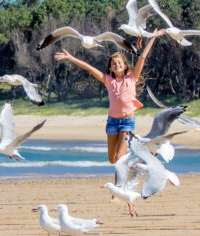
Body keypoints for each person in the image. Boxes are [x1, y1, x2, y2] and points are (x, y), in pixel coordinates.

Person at [55, 29, 165, 163]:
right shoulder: (108, 80)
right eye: (114, 64)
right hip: (112, 122)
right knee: (112, 160)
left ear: (125, 66)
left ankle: (120, 183)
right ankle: (141, 153)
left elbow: (142, 57)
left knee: (119, 158)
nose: (117, 65)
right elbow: (89, 68)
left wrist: (153, 37)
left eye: (119, 63)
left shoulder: (132, 78)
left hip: (127, 123)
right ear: (111, 68)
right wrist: (71, 58)